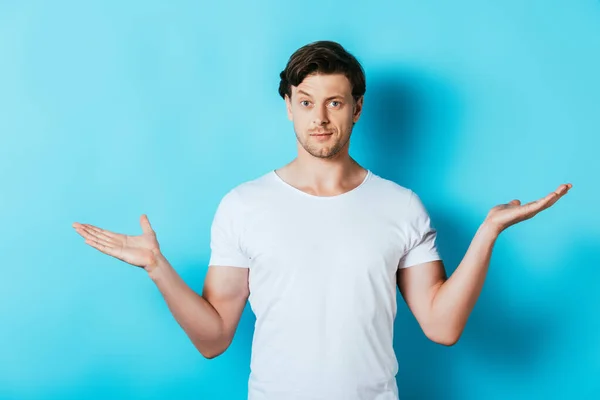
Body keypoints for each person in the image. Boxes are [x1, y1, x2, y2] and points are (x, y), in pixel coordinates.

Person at [72, 41, 572, 400]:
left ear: (357, 108)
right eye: (306, 102)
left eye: (334, 102)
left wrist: (487, 233)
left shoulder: (401, 206)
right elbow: (214, 337)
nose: (321, 118)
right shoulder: (243, 205)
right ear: (288, 107)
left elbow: (442, 326)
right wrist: (157, 267)